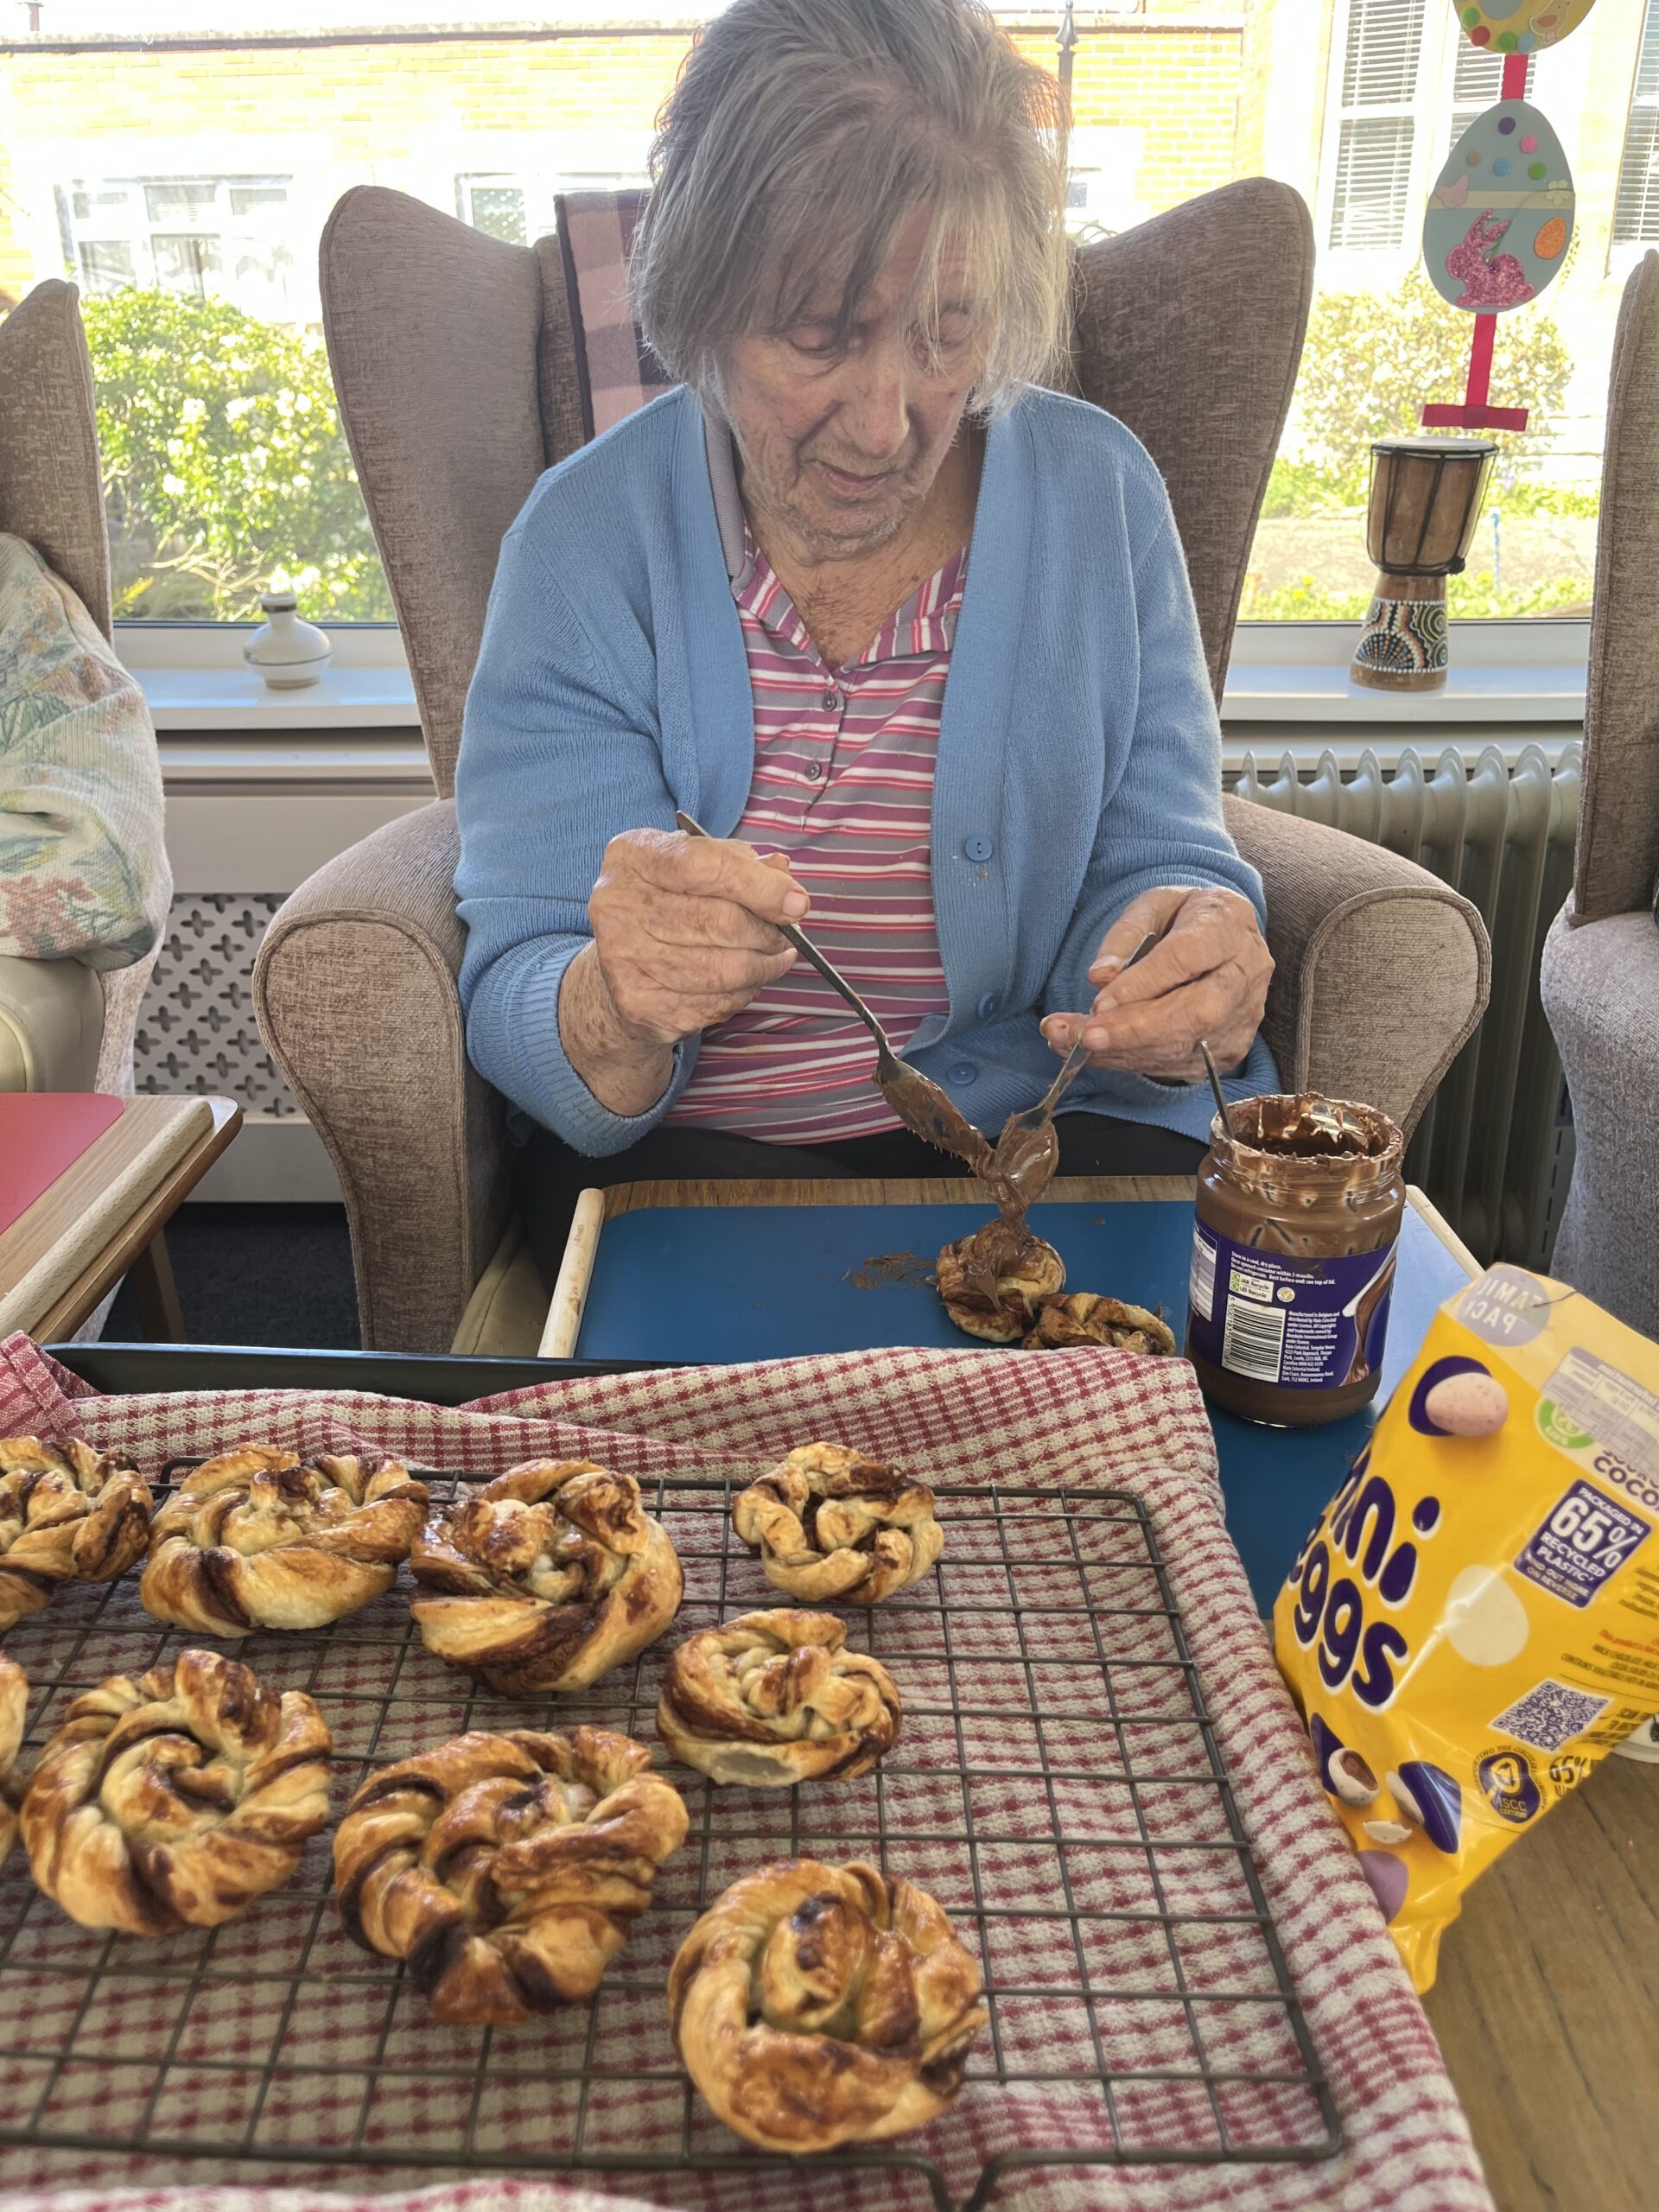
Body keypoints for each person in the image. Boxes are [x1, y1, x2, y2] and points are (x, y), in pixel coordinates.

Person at [454, 0, 1275, 1283]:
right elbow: (520, 992)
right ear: (706, 303)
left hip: (1064, 1140)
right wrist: (615, 999)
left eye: (947, 333)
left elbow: (1160, 850)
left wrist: (1180, 956)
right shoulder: (582, 542)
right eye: (822, 335)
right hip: (700, 1164)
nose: (888, 422)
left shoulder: (1099, 493)